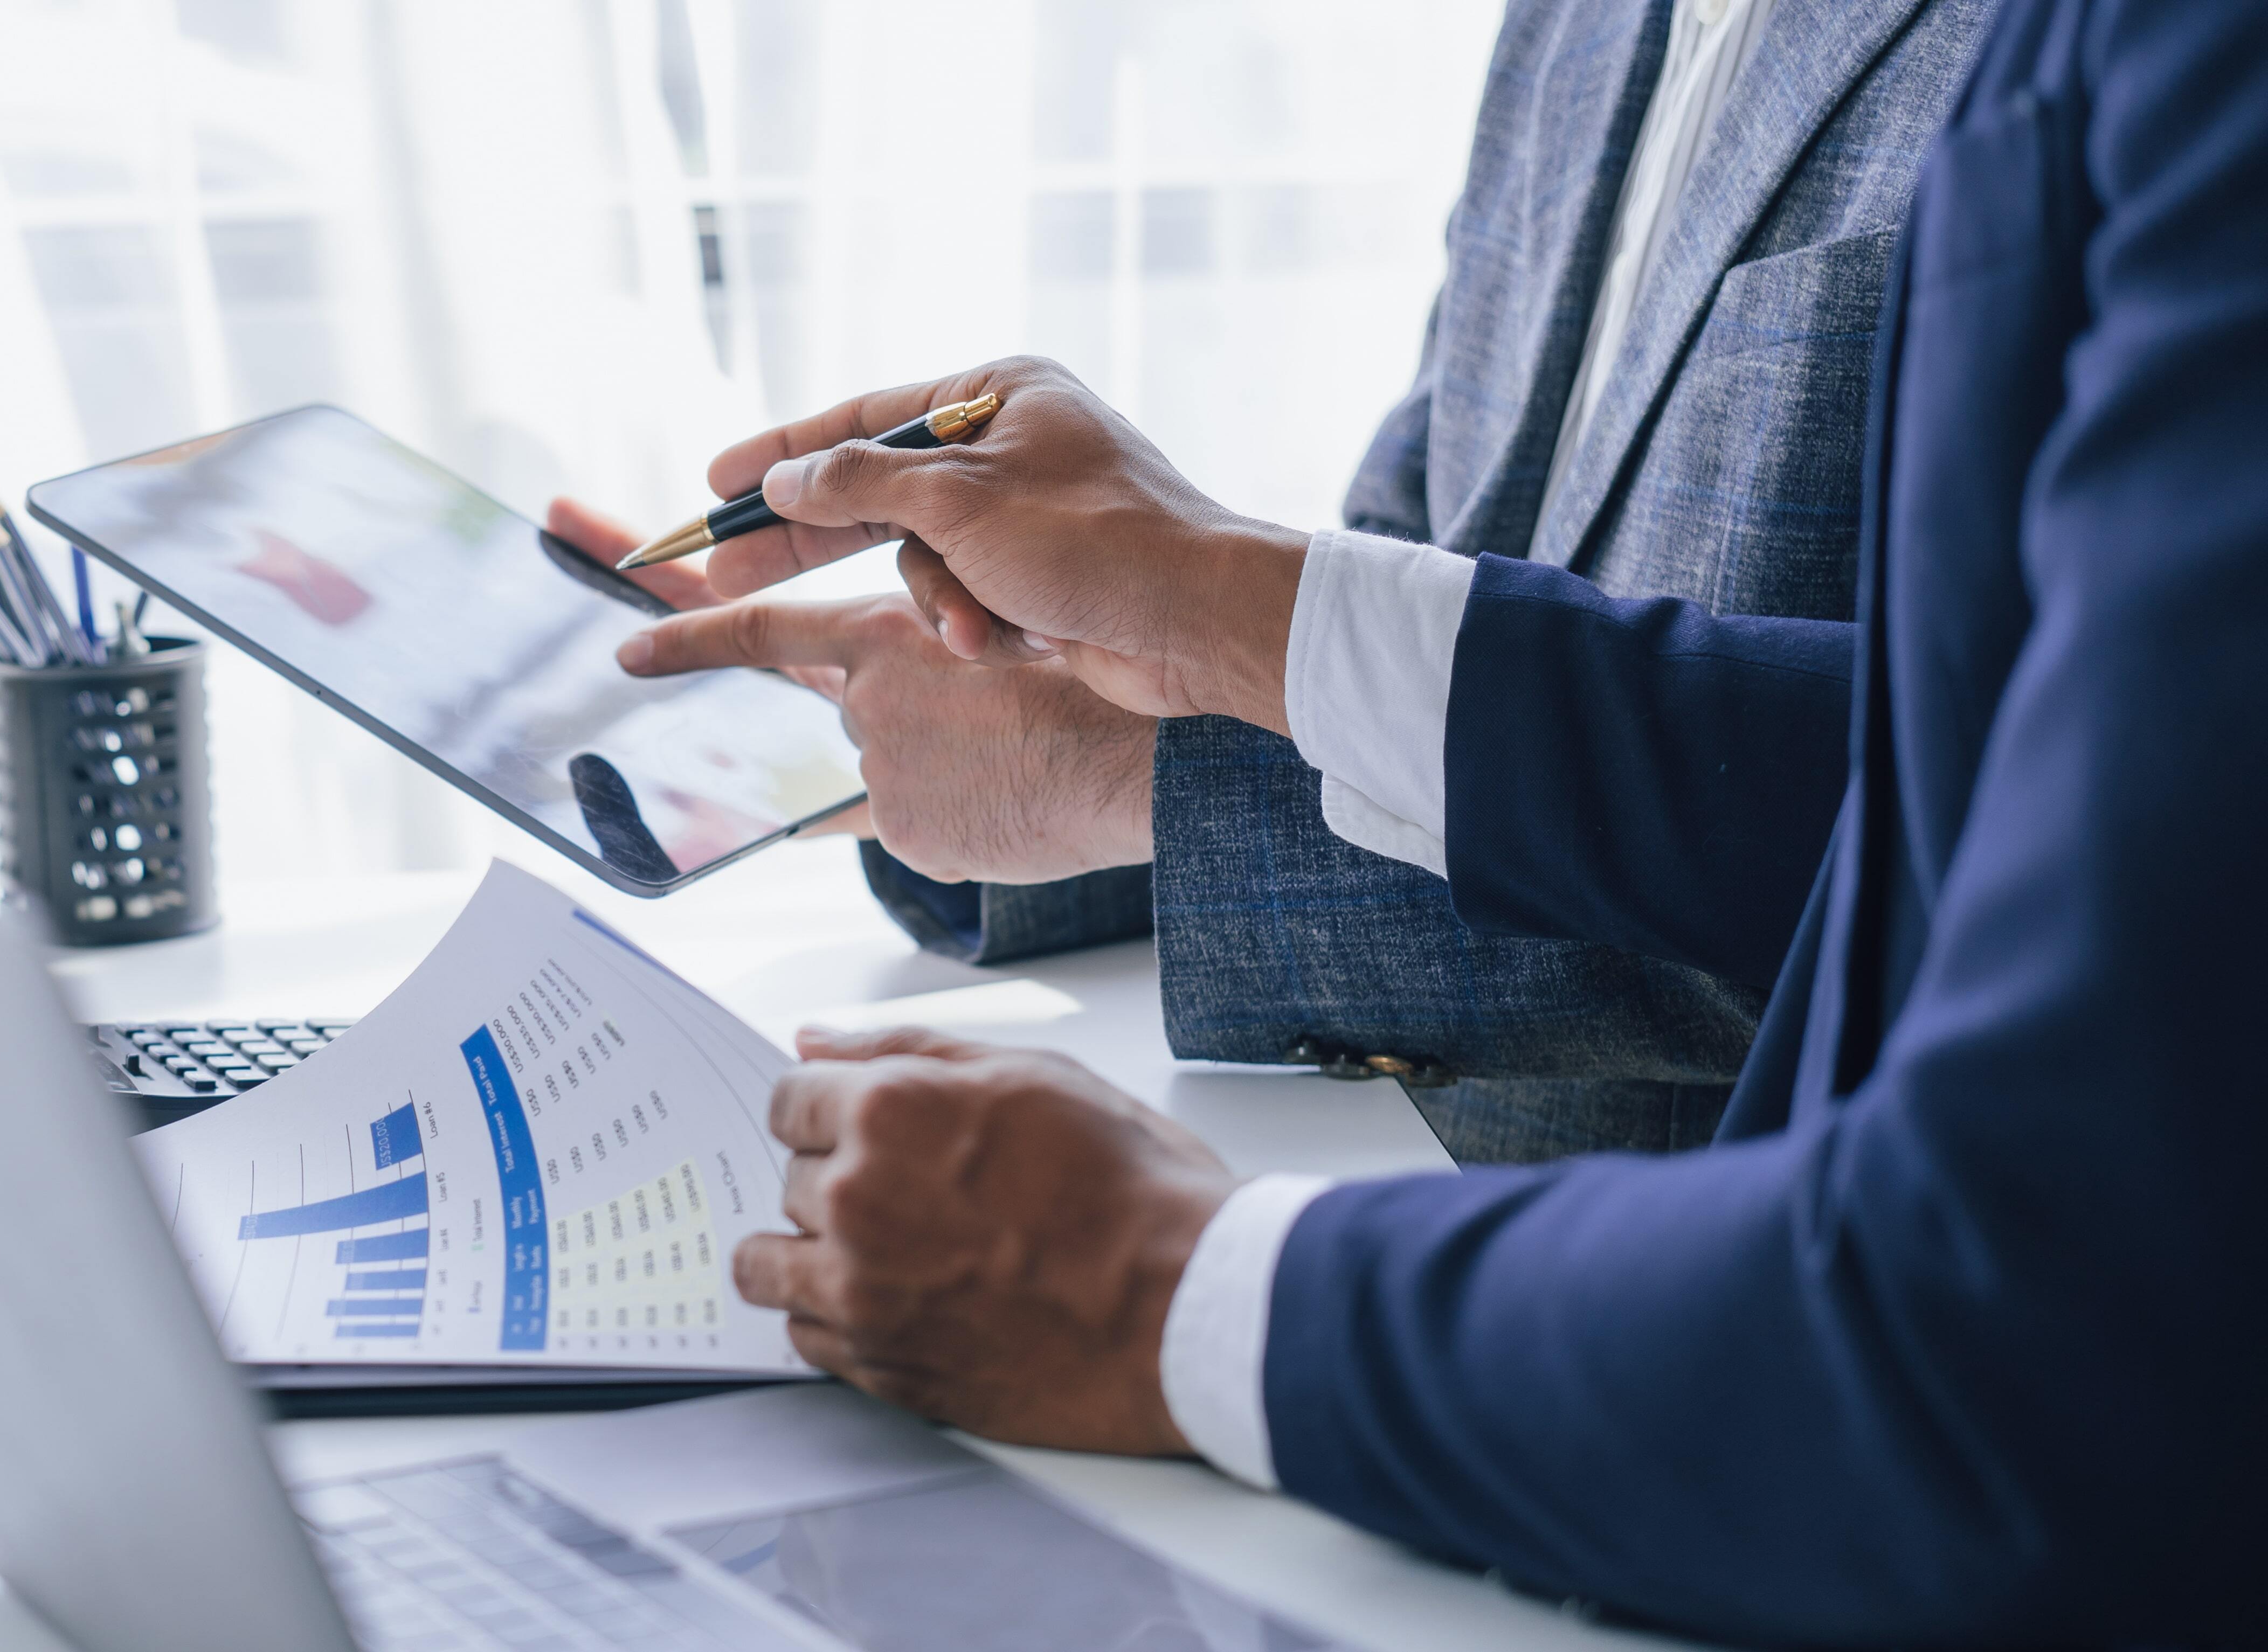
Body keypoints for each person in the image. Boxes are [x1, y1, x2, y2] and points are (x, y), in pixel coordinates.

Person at [669, 0, 2268, 1639]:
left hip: (1723, 1413)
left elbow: (1951, 875)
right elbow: (1434, 566)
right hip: (1522, 1384)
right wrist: (1132, 704)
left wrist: (1166, 1281)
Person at [565, 0, 1994, 1164]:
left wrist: (1143, 768)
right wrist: (1014, 697)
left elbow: (1987, 844)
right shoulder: (1585, 27)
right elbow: (1431, 574)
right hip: (1369, 1199)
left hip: (1760, 1323)